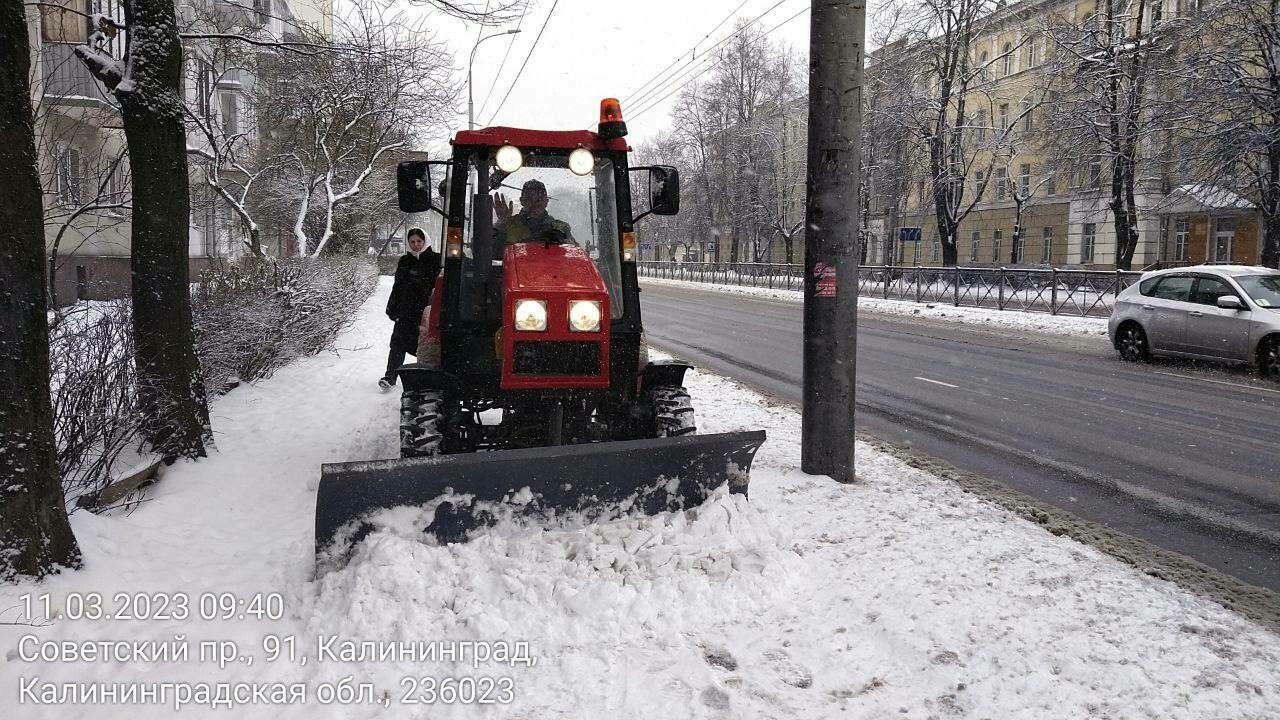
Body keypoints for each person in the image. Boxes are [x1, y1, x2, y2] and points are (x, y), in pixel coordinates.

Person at [380, 227, 440, 389]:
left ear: (425, 241)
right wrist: (392, 307)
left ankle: (428, 378)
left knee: (426, 345)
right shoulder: (405, 261)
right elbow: (398, 286)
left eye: (419, 241)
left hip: (428, 309)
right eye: (412, 242)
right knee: (398, 343)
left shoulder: (436, 259)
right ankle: (390, 376)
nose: (415, 245)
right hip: (406, 309)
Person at [493, 179, 574, 248]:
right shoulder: (507, 225)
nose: (534, 204)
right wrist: (502, 222)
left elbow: (576, 255)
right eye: (529, 199)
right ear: (522, 201)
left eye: (539, 199)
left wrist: (567, 245)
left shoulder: (561, 228)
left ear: (546, 201)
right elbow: (490, 251)